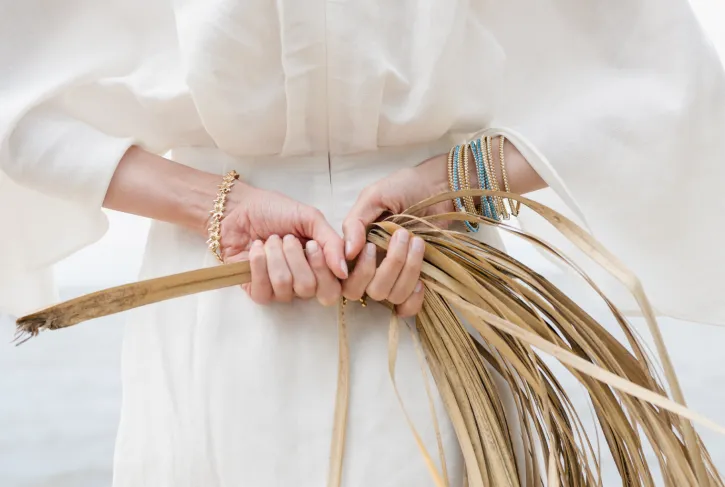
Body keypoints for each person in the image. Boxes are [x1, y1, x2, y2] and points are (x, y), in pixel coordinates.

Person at [2, 1, 724, 485]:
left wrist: (455, 183)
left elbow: (662, 84)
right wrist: (216, 208)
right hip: (220, 310)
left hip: (441, 300)